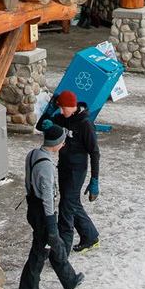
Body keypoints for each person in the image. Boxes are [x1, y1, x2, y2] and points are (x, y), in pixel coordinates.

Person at [19, 123, 82, 289]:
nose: (63, 145)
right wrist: (51, 223)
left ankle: (70, 280)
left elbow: (27, 181)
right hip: (43, 213)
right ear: (55, 144)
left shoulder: (32, 154)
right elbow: (48, 197)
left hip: (32, 207)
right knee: (40, 251)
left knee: (52, 247)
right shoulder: (46, 166)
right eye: (62, 142)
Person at [50, 91, 101, 253]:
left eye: (63, 108)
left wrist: (94, 180)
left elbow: (94, 152)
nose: (61, 112)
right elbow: (40, 126)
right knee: (72, 203)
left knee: (66, 207)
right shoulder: (61, 118)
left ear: (72, 106)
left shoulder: (85, 124)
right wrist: (49, 111)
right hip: (63, 166)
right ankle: (90, 236)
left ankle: (61, 252)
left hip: (77, 171)